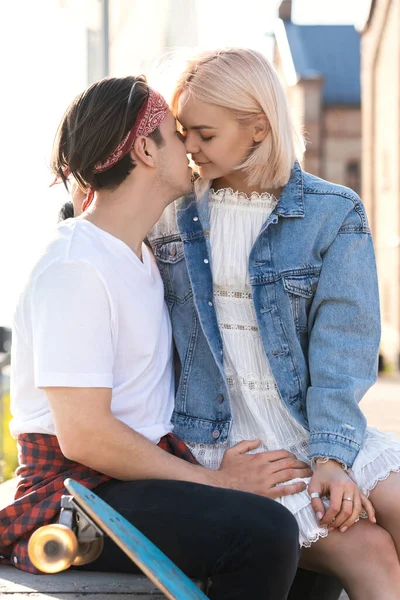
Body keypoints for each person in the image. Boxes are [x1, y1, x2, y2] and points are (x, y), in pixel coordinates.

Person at [0, 74, 305, 600]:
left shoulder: (142, 255)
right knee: (265, 533)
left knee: (308, 513)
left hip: (139, 476)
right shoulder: (75, 266)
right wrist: (220, 483)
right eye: (174, 130)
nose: (190, 144)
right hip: (79, 492)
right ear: (143, 148)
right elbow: (86, 437)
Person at [147, 48, 400, 600]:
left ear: (258, 127)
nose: (189, 147)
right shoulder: (167, 213)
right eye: (183, 131)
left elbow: (345, 345)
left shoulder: (334, 213)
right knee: (374, 553)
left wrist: (332, 459)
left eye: (205, 135)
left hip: (320, 428)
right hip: (229, 446)